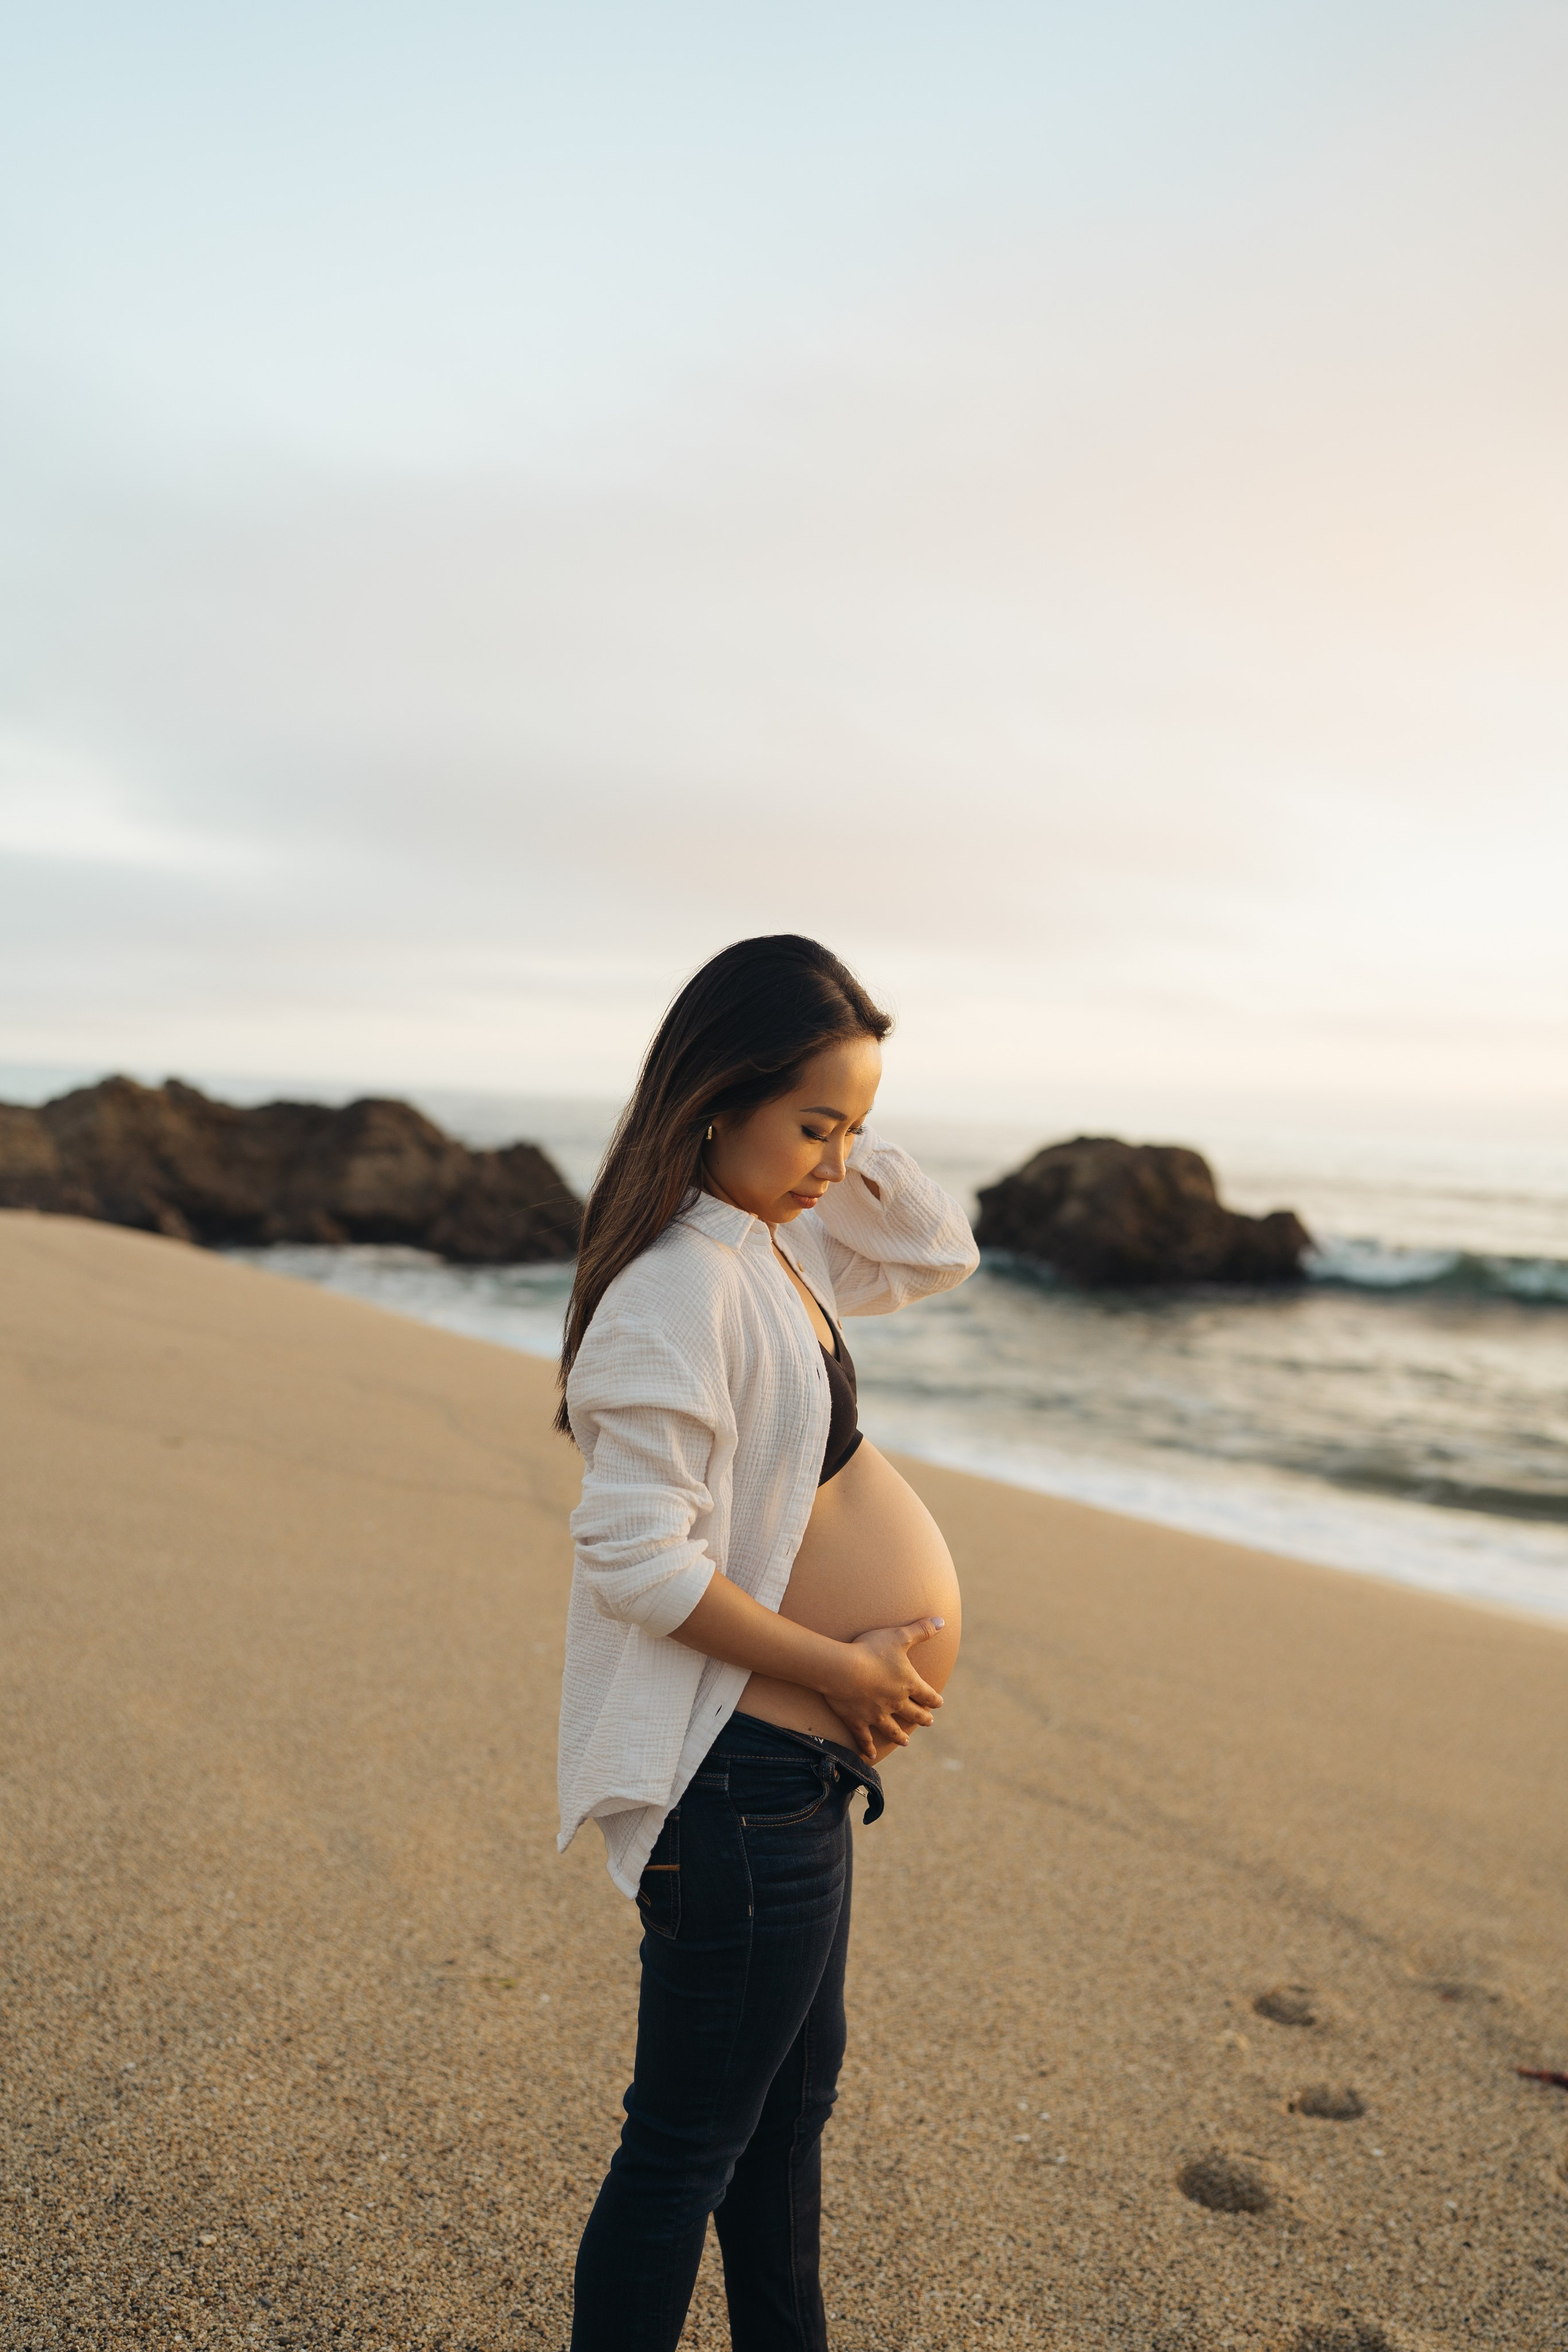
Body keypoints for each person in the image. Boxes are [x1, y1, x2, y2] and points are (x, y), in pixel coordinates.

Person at [557, 934, 979, 2351]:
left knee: (783, 2123)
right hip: (735, 1782)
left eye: (850, 1130)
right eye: (812, 1123)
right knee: (685, 2146)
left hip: (785, 1786)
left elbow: (933, 1251)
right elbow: (634, 1561)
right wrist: (843, 1671)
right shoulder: (677, 1288)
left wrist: (837, 1119)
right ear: (714, 1094)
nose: (834, 1160)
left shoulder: (767, 1253)